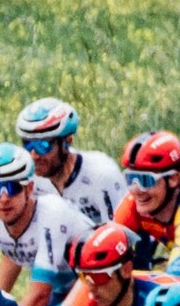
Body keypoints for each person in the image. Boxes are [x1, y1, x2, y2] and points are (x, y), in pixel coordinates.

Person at [0, 142, 95, 306]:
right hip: (62, 292)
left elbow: (39, 296)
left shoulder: (51, 213)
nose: (4, 198)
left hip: (100, 286)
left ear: (29, 188)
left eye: (12, 188)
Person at [18, 97, 128, 227]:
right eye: (28, 145)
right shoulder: (30, 179)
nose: (34, 155)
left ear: (67, 142)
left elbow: (123, 234)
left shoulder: (101, 175)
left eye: (43, 146)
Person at [112, 132, 180, 260]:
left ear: (173, 178)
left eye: (145, 180)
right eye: (130, 178)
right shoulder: (132, 205)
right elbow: (108, 247)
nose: (136, 189)